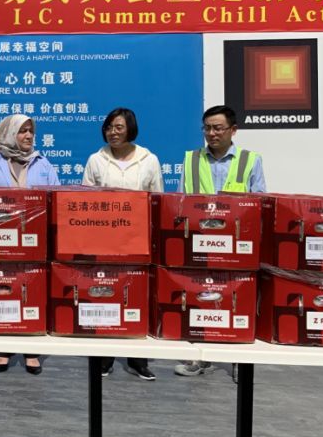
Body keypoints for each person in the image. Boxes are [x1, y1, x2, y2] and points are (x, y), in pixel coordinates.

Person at [174, 104, 266, 377]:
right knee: (202, 296)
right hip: (200, 243)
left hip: (235, 246)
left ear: (233, 130)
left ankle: (238, 361)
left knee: (236, 300)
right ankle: (199, 357)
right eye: (207, 128)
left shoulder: (250, 160)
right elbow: (180, 201)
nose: (212, 133)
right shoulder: (191, 159)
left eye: (218, 128)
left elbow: (259, 204)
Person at [0, 114, 60, 375]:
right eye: (22, 131)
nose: (28, 136)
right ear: (9, 134)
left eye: (31, 131)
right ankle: (4, 347)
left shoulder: (43, 163)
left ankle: (31, 349)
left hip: (34, 243)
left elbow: (56, 199)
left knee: (31, 291)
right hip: (1, 241)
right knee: (5, 289)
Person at [82, 107, 162, 381]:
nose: (112, 132)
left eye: (118, 127)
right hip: (104, 240)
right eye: (109, 127)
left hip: (137, 240)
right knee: (108, 293)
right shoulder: (96, 160)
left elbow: (157, 199)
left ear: (130, 129)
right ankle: (105, 358)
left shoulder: (149, 160)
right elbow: (86, 201)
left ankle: (138, 360)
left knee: (136, 294)